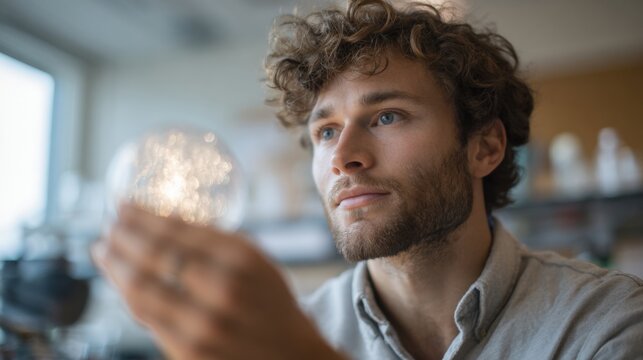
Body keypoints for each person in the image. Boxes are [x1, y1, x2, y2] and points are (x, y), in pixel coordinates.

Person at [93, 0, 643, 359]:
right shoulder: (290, 331)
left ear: (485, 146)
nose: (344, 157)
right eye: (326, 131)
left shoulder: (604, 323)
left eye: (387, 117)